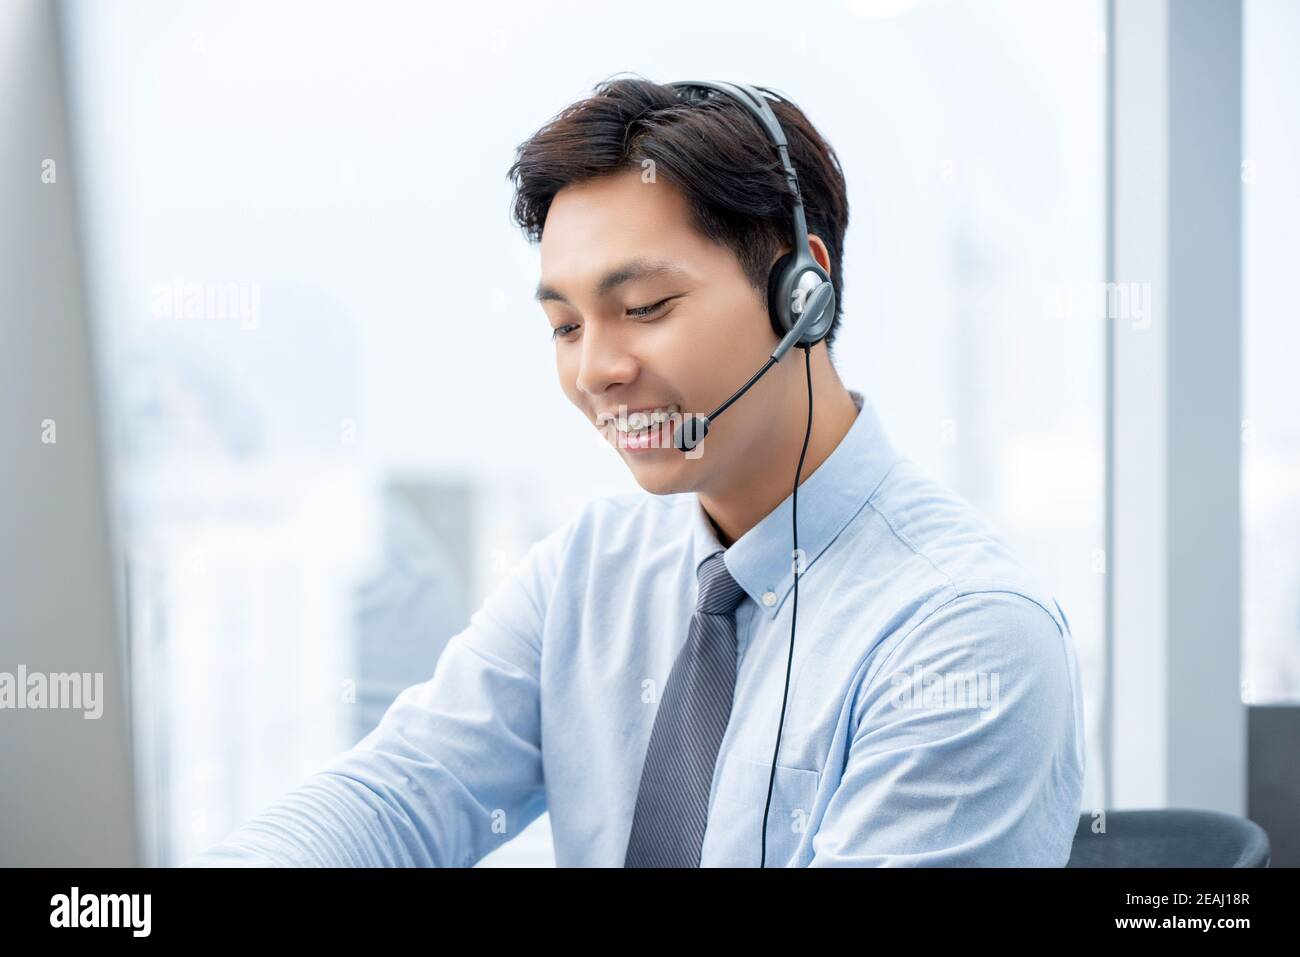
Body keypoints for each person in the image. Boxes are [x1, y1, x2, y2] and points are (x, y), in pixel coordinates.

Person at [189, 75, 1085, 868]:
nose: (595, 372)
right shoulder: (590, 565)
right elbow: (402, 797)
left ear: (800, 294)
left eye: (644, 307)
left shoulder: (966, 637)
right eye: (567, 327)